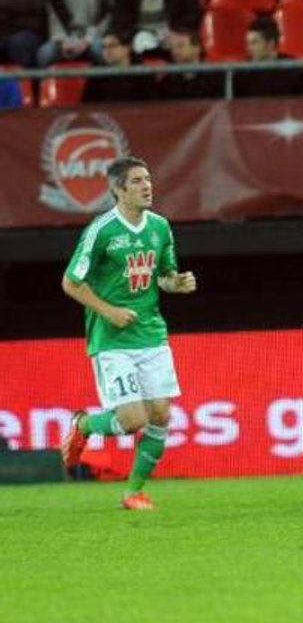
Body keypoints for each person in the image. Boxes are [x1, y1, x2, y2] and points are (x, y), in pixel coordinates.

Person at [60, 156, 197, 510]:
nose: (146, 186)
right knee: (133, 419)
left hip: (151, 332)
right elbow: (71, 282)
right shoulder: (102, 230)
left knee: (162, 415)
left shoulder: (160, 227)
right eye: (136, 181)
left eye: (148, 179)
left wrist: (177, 284)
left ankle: (133, 491)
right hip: (112, 339)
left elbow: (164, 276)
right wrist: (109, 311)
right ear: (118, 189)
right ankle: (85, 424)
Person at [234, 15, 303, 98]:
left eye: (254, 43)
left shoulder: (294, 70)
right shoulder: (242, 73)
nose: (248, 48)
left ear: (270, 43)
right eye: (248, 43)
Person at [81, 29, 158, 103]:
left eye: (112, 45)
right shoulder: (97, 72)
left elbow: (153, 105)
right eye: (104, 47)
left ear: (127, 48)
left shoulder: (142, 73)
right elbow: (87, 104)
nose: (107, 51)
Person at [157, 28, 223, 100]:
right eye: (172, 47)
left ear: (197, 47)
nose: (174, 51)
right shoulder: (168, 80)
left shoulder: (215, 78)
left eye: (180, 45)